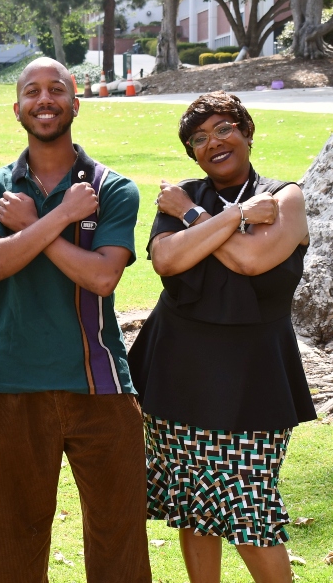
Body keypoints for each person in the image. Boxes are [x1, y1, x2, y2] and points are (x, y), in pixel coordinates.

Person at [0, 57, 151, 582]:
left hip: (100, 385)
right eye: (31, 91)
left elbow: (101, 278)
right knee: (18, 537)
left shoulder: (112, 188)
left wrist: (37, 224)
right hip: (14, 382)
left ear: (76, 100)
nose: (43, 99)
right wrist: (62, 218)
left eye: (56, 89)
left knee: (120, 538)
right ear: (17, 107)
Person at [128, 91, 316, 583]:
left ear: (247, 132)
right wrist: (226, 215)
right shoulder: (182, 196)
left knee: (250, 510)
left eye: (224, 129)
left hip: (254, 376)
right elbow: (167, 260)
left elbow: (251, 261)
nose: (213, 142)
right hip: (178, 372)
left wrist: (198, 223)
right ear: (192, 153)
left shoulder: (285, 197)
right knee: (194, 502)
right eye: (199, 138)